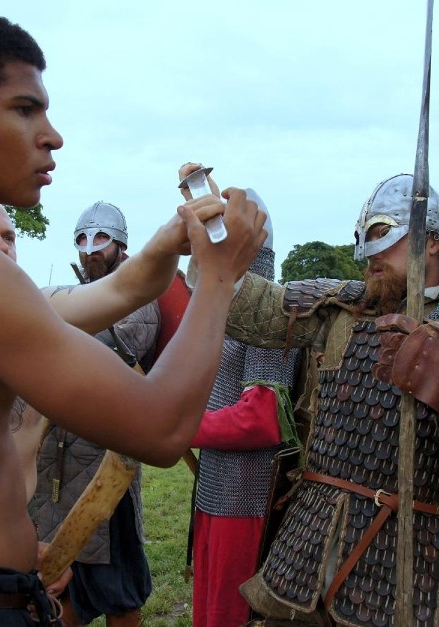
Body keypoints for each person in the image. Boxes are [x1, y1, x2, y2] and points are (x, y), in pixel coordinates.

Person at [0, 7, 265, 625]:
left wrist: (166, 244)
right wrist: (217, 279)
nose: (52, 135)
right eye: (25, 109)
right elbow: (161, 429)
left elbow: (105, 296)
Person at [210, 172, 439, 626]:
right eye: (361, 236)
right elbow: (251, 307)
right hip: (304, 550)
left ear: (432, 242)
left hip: (411, 561)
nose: (364, 253)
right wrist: (215, 245)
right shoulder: (343, 308)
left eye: (379, 235)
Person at [178, 175, 303, 627]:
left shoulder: (272, 315)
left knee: (228, 618)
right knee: (206, 614)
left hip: (246, 500)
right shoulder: (219, 309)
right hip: (214, 491)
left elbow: (262, 418)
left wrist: (182, 427)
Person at [31, 202, 158, 627]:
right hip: (58, 463)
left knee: (118, 593)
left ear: (121, 246)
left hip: (106, 465)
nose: (91, 249)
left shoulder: (139, 300)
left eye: (100, 239)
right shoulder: (71, 298)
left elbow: (112, 355)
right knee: (62, 582)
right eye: (83, 240)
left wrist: (50, 332)